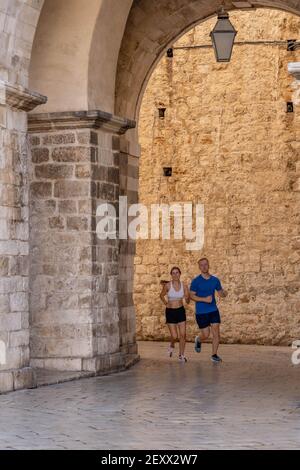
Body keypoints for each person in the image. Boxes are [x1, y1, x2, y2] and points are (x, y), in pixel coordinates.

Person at [189, 257, 228, 363]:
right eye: (201, 265)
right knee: (206, 335)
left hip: (213, 310)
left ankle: (214, 355)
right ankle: (199, 339)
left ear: (208, 265)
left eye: (205, 264)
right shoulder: (196, 281)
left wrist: (224, 293)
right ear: (199, 267)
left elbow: (220, 293)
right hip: (201, 312)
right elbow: (191, 296)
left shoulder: (215, 280)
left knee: (216, 333)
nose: (204, 266)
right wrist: (204, 299)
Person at [160, 267, 190, 362]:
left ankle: (181, 355)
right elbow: (161, 295)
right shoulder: (168, 286)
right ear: (171, 275)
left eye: (177, 273)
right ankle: (172, 345)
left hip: (180, 311)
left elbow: (188, 301)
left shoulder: (184, 286)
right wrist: (165, 303)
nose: (175, 274)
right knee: (174, 336)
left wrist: (187, 297)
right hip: (170, 312)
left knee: (183, 335)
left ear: (180, 274)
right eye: (173, 273)